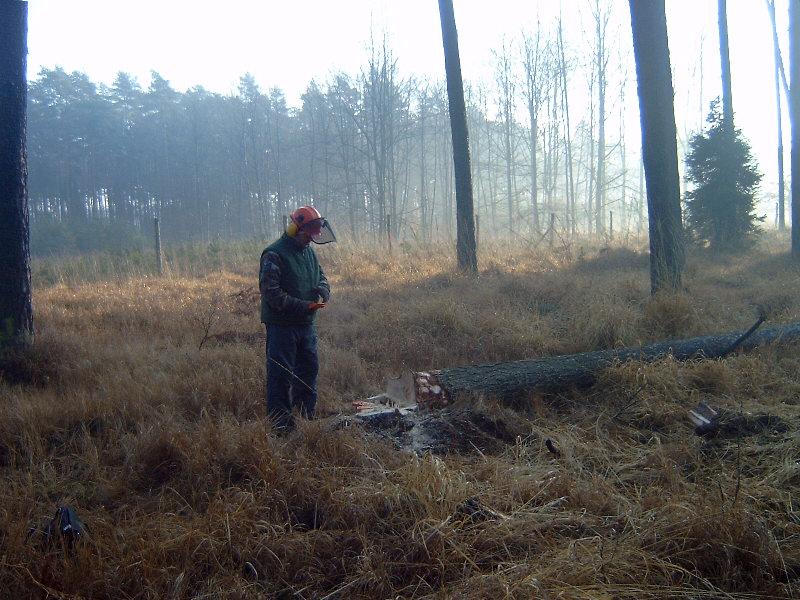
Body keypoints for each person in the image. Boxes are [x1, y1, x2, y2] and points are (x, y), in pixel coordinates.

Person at [259, 206, 336, 431]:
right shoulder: (274, 253)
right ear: (296, 228)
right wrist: (303, 306)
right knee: (280, 376)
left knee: (308, 371)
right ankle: (281, 426)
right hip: (282, 326)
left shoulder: (309, 252)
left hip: (306, 324)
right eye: (308, 234)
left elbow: (321, 276)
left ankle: (305, 417)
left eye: (314, 235)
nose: (311, 240)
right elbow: (271, 292)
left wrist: (323, 290)